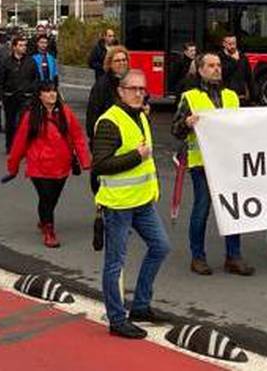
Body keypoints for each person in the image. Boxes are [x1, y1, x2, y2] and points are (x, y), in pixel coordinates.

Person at [91, 69, 171, 338]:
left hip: (142, 201)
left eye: (142, 89)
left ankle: (140, 306)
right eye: (133, 89)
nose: (139, 93)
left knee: (160, 247)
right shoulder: (109, 121)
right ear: (121, 91)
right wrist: (136, 156)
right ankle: (116, 319)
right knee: (115, 263)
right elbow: (100, 165)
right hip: (118, 204)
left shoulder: (140, 117)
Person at [172, 52, 254, 276]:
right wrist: (186, 123)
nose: (216, 69)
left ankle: (233, 256)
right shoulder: (190, 97)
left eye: (218, 65)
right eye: (210, 65)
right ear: (200, 70)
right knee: (202, 209)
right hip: (202, 164)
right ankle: (197, 257)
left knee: (233, 209)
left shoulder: (232, 96)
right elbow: (176, 130)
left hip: (229, 163)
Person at [7, 80, 92, 248]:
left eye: (54, 91)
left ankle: (44, 219)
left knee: (53, 198)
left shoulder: (65, 113)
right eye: (47, 91)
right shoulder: (31, 116)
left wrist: (85, 161)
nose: (52, 94)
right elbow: (20, 142)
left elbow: (77, 136)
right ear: (39, 95)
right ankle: (49, 230)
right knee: (46, 197)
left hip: (61, 165)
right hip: (39, 166)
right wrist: (13, 166)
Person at [85, 45, 133, 248]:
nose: (122, 63)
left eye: (124, 60)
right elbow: (92, 116)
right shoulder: (102, 86)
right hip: (107, 143)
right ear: (109, 63)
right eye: (117, 60)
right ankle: (107, 218)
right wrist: (96, 143)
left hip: (127, 143)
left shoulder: (131, 84)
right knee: (105, 183)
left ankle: (121, 219)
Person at [0, 36, 37, 153]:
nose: (23, 48)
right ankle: (10, 146)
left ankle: (23, 146)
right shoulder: (7, 62)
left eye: (24, 45)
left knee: (24, 122)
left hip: (26, 97)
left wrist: (32, 91)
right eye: (20, 45)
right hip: (10, 96)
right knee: (10, 123)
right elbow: (0, 81)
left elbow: (35, 79)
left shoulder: (30, 61)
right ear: (14, 47)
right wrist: (0, 96)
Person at [219, 33, 254, 105]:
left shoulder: (242, 57)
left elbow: (249, 76)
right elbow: (223, 73)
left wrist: (252, 95)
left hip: (242, 96)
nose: (232, 46)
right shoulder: (219, 57)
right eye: (230, 44)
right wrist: (234, 61)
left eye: (234, 43)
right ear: (224, 44)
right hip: (226, 97)